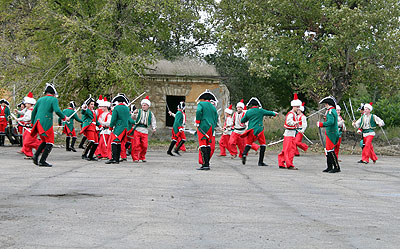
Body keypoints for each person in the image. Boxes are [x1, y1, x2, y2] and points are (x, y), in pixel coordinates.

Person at [31, 83, 70, 167]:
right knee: (50, 142)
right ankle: (42, 160)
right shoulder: (53, 100)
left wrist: (33, 123)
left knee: (44, 141)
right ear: (53, 93)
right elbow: (57, 111)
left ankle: (36, 155)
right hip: (46, 123)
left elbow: (34, 112)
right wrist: (64, 118)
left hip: (38, 122)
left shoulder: (40, 100)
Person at [241, 97, 278, 166]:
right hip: (259, 130)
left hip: (251, 130)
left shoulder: (248, 112)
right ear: (257, 105)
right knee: (263, 145)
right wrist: (275, 113)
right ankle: (260, 162)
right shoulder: (260, 110)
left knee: (248, 144)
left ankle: (244, 154)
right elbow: (269, 113)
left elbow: (242, 120)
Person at [106, 93, 134, 164]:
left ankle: (114, 158)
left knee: (114, 142)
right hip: (125, 128)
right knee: (119, 143)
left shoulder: (116, 108)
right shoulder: (127, 108)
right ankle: (117, 159)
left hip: (118, 127)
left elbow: (113, 119)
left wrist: (110, 127)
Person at [195, 90, 219, 170]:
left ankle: (205, 164)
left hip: (203, 126)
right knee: (208, 145)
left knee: (202, 144)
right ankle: (207, 163)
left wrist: (198, 121)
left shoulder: (201, 104)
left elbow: (198, 111)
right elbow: (216, 117)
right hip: (211, 127)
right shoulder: (213, 106)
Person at [317, 96, 340, 173]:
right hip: (330, 132)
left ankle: (336, 167)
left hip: (331, 133)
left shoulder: (330, 111)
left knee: (330, 150)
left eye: (325, 104)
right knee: (328, 150)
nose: (324, 106)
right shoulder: (331, 111)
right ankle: (329, 167)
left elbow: (331, 122)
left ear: (327, 104)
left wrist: (321, 124)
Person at [278, 94, 302, 169]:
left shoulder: (294, 114)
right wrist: (295, 123)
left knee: (286, 149)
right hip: (289, 134)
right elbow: (289, 122)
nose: (298, 108)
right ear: (294, 106)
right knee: (289, 150)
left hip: (291, 133)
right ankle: (289, 164)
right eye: (297, 107)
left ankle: (281, 162)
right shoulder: (291, 114)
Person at [131, 96, 156, 163]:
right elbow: (133, 118)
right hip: (137, 129)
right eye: (142, 105)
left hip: (145, 130)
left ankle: (142, 157)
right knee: (136, 144)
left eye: (145, 105)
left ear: (148, 106)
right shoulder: (138, 111)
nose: (143, 106)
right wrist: (134, 113)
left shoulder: (150, 113)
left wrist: (154, 127)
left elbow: (153, 121)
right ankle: (135, 158)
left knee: (144, 145)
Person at [17, 93, 41, 159]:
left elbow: (27, 118)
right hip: (27, 127)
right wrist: (18, 113)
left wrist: (19, 119)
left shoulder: (31, 110)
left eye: (27, 103)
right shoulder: (28, 109)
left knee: (29, 141)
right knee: (25, 138)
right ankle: (28, 153)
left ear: (30, 104)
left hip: (31, 127)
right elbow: (23, 113)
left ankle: (40, 147)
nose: (25, 104)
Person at [80, 96, 101, 161]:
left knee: (96, 143)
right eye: (91, 104)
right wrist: (83, 108)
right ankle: (84, 154)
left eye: (93, 104)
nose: (93, 105)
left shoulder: (94, 111)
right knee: (91, 141)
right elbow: (83, 112)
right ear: (88, 104)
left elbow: (96, 121)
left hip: (94, 127)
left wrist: (100, 126)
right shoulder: (87, 110)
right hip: (89, 127)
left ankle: (90, 155)